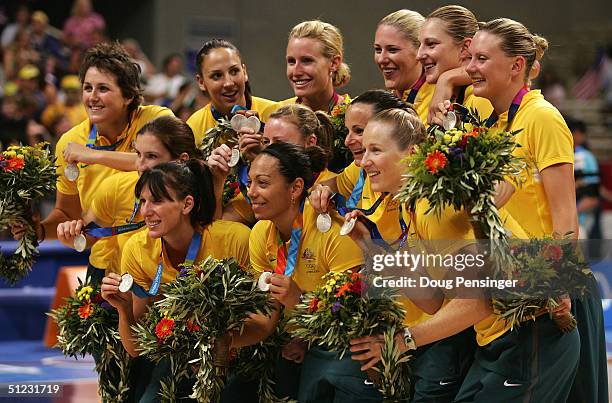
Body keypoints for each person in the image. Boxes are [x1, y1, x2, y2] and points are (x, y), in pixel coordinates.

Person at [450, 18, 592, 401]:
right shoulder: (492, 121)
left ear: (516, 65)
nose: (471, 68)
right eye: (471, 58)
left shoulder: (541, 118)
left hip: (541, 302)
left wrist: (555, 287)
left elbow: (566, 220)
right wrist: (449, 83)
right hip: (501, 306)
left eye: (482, 58)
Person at [12, 42, 172, 283]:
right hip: (105, 269)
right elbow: (68, 213)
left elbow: (164, 167)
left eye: (103, 88)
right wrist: (41, 231)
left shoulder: (156, 120)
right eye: (87, 88)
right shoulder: (70, 141)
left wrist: (93, 155)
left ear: (128, 95)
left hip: (160, 259)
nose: (92, 97)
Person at [101, 160, 250, 402]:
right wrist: (123, 309)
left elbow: (261, 317)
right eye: (143, 201)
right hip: (181, 358)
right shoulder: (138, 249)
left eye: (157, 201)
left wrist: (225, 341)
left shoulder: (235, 240)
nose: (146, 211)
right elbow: (136, 348)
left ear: (187, 204)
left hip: (240, 355)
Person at [247, 142, 376, 402]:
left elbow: (356, 316)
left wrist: (299, 301)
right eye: (249, 182)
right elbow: (267, 315)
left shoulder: (333, 231)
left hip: (353, 348)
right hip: (302, 342)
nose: (251, 192)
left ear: (295, 188)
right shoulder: (260, 233)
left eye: (262, 183)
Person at [56, 116, 201, 282]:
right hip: (121, 287)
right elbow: (90, 234)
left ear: (181, 160)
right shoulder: (117, 187)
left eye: (152, 156)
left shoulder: (206, 189)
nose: (140, 165)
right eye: (138, 154)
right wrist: (71, 235)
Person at [208, 103, 337, 224]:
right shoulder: (264, 186)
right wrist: (218, 179)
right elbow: (220, 229)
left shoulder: (331, 185)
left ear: (310, 142)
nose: (270, 150)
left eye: (279, 142)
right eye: (266, 142)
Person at [280, 20, 352, 172]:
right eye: (291, 61)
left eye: (307, 61)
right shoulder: (276, 115)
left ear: (334, 63)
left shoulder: (355, 118)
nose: (296, 71)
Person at [186, 38, 277, 146]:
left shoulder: (275, 115)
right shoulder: (194, 129)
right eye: (217, 76)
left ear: (244, 72)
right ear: (201, 82)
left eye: (234, 71)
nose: (228, 83)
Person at [417, 5, 493, 125]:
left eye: (431, 44)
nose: (419, 55)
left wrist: (446, 78)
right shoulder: (445, 92)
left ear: (465, 47)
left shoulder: (481, 98)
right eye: (419, 45)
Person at [374, 9, 434, 122]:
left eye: (392, 50)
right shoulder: (381, 107)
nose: (381, 59)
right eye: (378, 50)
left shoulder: (442, 98)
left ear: (420, 50)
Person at [568, 118, 601, 239]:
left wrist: (572, 214)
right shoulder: (562, 153)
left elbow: (592, 196)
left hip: (579, 220)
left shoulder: (586, 157)